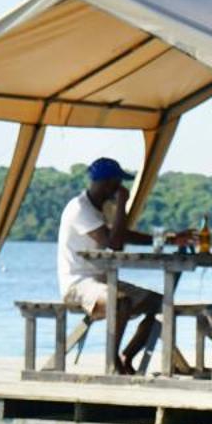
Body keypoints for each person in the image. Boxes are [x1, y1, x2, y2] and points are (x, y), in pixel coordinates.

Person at [57, 157, 178, 374]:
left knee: (161, 303)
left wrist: (169, 239)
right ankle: (112, 362)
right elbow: (114, 243)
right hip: (78, 283)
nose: (121, 188)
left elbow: (121, 234)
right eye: (118, 183)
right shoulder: (79, 208)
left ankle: (127, 356)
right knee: (120, 302)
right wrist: (123, 202)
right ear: (107, 183)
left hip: (103, 279)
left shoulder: (102, 209)